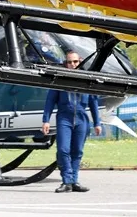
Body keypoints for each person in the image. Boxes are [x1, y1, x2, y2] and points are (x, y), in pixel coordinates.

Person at [41, 51, 101, 193]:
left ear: (80, 62)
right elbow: (50, 101)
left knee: (77, 151)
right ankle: (66, 181)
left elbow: (93, 102)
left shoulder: (87, 79)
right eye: (69, 62)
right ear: (65, 64)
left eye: (75, 62)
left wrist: (97, 123)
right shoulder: (59, 80)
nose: (72, 65)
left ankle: (74, 181)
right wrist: (46, 120)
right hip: (64, 118)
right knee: (63, 150)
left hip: (81, 119)